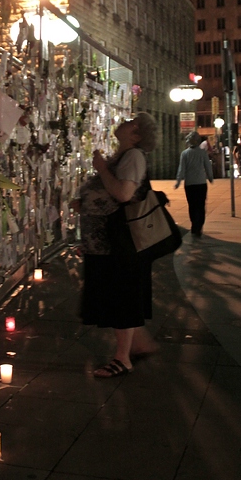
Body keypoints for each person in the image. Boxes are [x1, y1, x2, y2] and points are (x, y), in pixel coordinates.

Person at [73, 112, 158, 378]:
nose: (125, 121)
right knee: (118, 295)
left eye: (132, 121)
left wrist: (101, 169)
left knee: (121, 298)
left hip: (118, 244)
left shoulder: (133, 156)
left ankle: (123, 359)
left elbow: (122, 194)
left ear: (136, 134)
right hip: (106, 244)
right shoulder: (121, 156)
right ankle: (137, 343)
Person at [175, 131, 213, 236]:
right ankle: (199, 225)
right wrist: (210, 177)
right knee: (201, 205)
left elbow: (181, 169)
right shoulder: (202, 153)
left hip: (190, 183)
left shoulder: (185, 154)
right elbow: (207, 166)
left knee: (192, 205)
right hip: (201, 182)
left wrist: (178, 181)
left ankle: (194, 224)